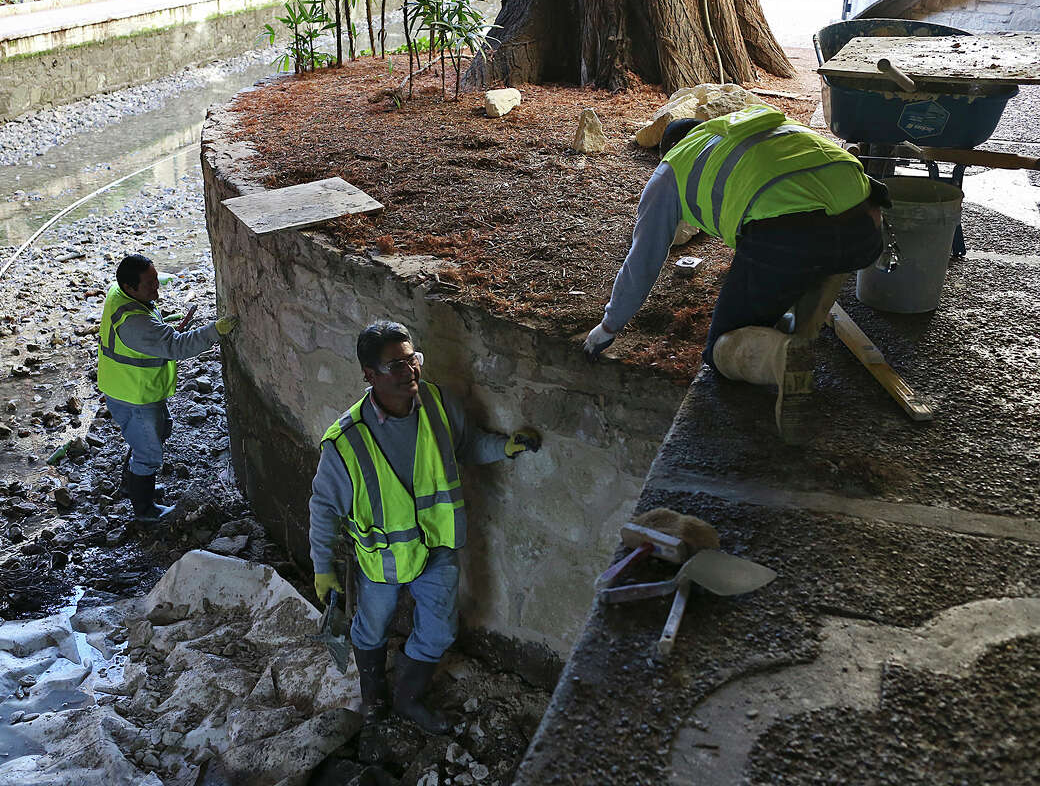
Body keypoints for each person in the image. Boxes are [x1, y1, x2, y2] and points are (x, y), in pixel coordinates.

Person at [583, 104, 891, 443]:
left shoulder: (671, 170)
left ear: (667, 152)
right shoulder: (749, 127)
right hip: (867, 228)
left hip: (791, 235)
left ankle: (782, 358)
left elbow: (643, 260)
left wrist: (609, 326)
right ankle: (801, 332)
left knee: (720, 349)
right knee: (806, 264)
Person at [309, 321, 541, 734]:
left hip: (438, 546)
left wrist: (503, 448)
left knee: (439, 629)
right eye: (396, 365)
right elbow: (324, 507)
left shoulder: (436, 402)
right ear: (369, 375)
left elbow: (467, 445)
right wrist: (322, 567)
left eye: (412, 359)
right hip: (382, 560)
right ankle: (375, 700)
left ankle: (408, 698)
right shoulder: (346, 441)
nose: (411, 371)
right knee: (371, 627)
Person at [97, 254, 238, 519]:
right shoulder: (135, 322)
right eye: (149, 284)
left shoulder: (119, 293)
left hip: (126, 389)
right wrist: (214, 331)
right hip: (135, 396)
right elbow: (177, 346)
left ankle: (132, 485)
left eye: (155, 279)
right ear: (130, 287)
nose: (156, 288)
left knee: (158, 431)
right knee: (148, 452)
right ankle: (145, 510)